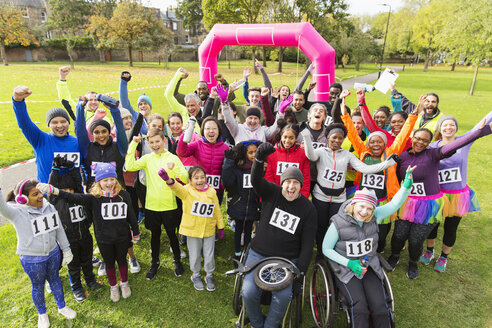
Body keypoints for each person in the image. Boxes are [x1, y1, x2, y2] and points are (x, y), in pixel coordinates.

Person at [388, 119, 492, 279]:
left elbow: (455, 145)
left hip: (428, 204)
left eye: (424, 140)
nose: (420, 142)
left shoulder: (433, 154)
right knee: (399, 235)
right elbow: (393, 178)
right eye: (417, 138)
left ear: (430, 143)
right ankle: (394, 256)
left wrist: (479, 132)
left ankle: (413, 263)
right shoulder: (403, 156)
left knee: (416, 239)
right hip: (407, 202)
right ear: (412, 138)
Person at [322, 167, 414, 328]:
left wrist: (406, 185)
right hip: (347, 269)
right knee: (360, 308)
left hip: (369, 265)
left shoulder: (375, 216)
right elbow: (326, 249)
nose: (364, 212)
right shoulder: (338, 222)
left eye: (369, 208)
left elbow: (395, 203)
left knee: (379, 308)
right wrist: (350, 264)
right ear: (353, 204)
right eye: (361, 206)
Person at [39, 163, 140, 303]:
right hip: (104, 240)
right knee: (109, 263)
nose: (109, 183)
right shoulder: (94, 198)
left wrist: (135, 232)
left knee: (122, 260)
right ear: (99, 182)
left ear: (116, 180)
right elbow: (72, 197)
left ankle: (124, 283)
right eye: (105, 180)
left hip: (122, 237)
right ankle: (113, 286)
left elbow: (131, 214)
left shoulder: (124, 195)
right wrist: (53, 190)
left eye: (112, 179)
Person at [241, 143, 317, 328]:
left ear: (301, 186)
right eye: (287, 182)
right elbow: (256, 180)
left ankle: (271, 326)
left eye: (296, 183)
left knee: (282, 297)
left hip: (287, 260)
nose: (291, 187)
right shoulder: (272, 193)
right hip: (259, 254)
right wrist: (259, 159)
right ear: (281, 183)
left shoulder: (308, 209)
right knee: (248, 292)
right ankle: (258, 324)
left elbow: (308, 245)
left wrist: (300, 273)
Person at [301, 124, 399, 254]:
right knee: (321, 225)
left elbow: (365, 168)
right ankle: (320, 251)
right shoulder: (321, 152)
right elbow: (311, 156)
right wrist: (307, 136)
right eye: (334, 137)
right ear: (328, 137)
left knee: (336, 226)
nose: (337, 141)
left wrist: (388, 163)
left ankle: (333, 250)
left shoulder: (347, 155)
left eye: (340, 138)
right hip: (321, 196)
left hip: (338, 198)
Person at [340, 93, 420, 253]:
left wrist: (415, 113)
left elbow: (403, 135)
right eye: (373, 142)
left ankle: (379, 249)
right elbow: (352, 133)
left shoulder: (390, 152)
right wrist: (344, 109)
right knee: (358, 227)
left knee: (380, 232)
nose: (376, 144)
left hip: (382, 200)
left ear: (384, 144)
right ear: (368, 144)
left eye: (379, 142)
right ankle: (359, 248)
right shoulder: (363, 152)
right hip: (361, 198)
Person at [421, 112, 492, 272]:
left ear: (456, 128)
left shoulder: (464, 141)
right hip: (437, 194)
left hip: (457, 196)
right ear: (440, 128)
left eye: (452, 125)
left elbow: (480, 126)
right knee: (432, 225)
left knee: (450, 228)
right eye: (445, 125)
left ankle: (443, 257)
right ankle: (429, 251)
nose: (448, 127)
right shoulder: (432, 146)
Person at [0, 179, 76, 328]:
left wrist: (66, 249)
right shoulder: (17, 212)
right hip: (32, 259)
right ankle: (42, 314)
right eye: (35, 194)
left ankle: (62, 307)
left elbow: (59, 229)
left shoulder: (49, 206)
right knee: (38, 286)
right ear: (23, 198)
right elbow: (2, 207)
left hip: (53, 253)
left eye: (40, 192)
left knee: (55, 280)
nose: (41, 196)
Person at [125, 129, 189, 280]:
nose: (155, 145)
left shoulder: (172, 157)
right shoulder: (147, 159)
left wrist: (176, 169)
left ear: (164, 141)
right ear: (148, 143)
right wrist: (133, 144)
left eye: (157, 141)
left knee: (172, 234)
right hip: (152, 206)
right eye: (151, 142)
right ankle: (155, 262)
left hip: (169, 206)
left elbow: (186, 178)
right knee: (155, 235)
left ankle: (177, 261)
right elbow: (129, 166)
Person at [158, 166, 224, 291]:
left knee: (209, 254)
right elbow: (177, 189)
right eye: (196, 178)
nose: (200, 180)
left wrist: (220, 226)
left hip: (209, 229)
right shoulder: (186, 191)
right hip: (192, 230)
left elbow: (217, 210)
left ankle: (209, 274)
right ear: (190, 180)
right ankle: (196, 274)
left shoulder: (211, 192)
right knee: (194, 254)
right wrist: (168, 180)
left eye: (202, 177)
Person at [47, 157, 102, 303]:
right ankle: (76, 287)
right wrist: (55, 170)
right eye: (64, 190)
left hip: (85, 235)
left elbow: (78, 183)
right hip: (69, 239)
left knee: (87, 261)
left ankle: (90, 280)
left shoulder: (78, 196)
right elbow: (52, 187)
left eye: (70, 189)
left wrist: (72, 168)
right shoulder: (56, 201)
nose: (68, 192)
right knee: (73, 265)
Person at [12, 86, 81, 183]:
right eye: (54, 122)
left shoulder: (77, 143)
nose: (60, 125)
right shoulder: (40, 139)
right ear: (49, 125)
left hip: (73, 195)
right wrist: (18, 101)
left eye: (63, 121)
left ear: (68, 123)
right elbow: (24, 124)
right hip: (47, 194)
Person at [222, 141, 262, 262]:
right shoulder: (238, 169)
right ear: (245, 154)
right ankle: (238, 254)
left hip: (253, 206)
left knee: (249, 231)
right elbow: (227, 182)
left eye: (256, 152)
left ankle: (247, 253)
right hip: (239, 204)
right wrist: (228, 162)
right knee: (239, 231)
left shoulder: (260, 168)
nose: (254, 155)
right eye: (250, 152)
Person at [177, 117, 229, 203]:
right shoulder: (197, 145)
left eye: (214, 128)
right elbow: (181, 152)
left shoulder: (225, 148)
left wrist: (222, 186)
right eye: (207, 128)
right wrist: (185, 133)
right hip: (199, 188)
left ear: (219, 131)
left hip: (216, 191)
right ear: (203, 131)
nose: (211, 131)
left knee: (214, 215)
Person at [219, 84, 287, 144]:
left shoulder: (263, 130)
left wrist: (281, 113)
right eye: (250, 118)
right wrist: (224, 103)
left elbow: (275, 129)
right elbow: (229, 119)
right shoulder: (238, 129)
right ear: (246, 118)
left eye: (255, 118)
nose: (253, 121)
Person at [264, 124, 311, 197]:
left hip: (295, 195)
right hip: (276, 194)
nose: (287, 141)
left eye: (291, 138)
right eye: (285, 137)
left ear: (296, 138)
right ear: (281, 136)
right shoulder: (272, 153)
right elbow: (269, 177)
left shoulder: (303, 154)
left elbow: (305, 178)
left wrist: (303, 197)